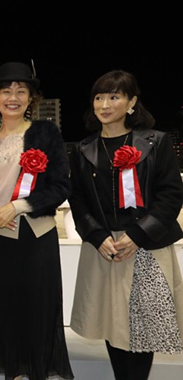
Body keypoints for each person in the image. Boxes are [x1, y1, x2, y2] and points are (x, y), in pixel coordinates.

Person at [68, 69, 183, 379]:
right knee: (112, 322)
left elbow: (171, 195)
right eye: (99, 97)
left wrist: (137, 235)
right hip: (105, 248)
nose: (105, 105)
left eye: (114, 97)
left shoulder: (155, 142)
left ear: (132, 102)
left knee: (144, 326)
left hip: (145, 246)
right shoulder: (83, 149)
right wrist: (96, 236)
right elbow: (77, 199)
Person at [0, 62, 75, 379]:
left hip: (36, 236)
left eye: (20, 91)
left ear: (31, 98)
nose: (12, 97)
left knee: (39, 310)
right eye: (6, 91)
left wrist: (15, 207)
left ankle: (39, 372)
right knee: (5, 309)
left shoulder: (45, 133)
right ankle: (13, 372)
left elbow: (60, 186)